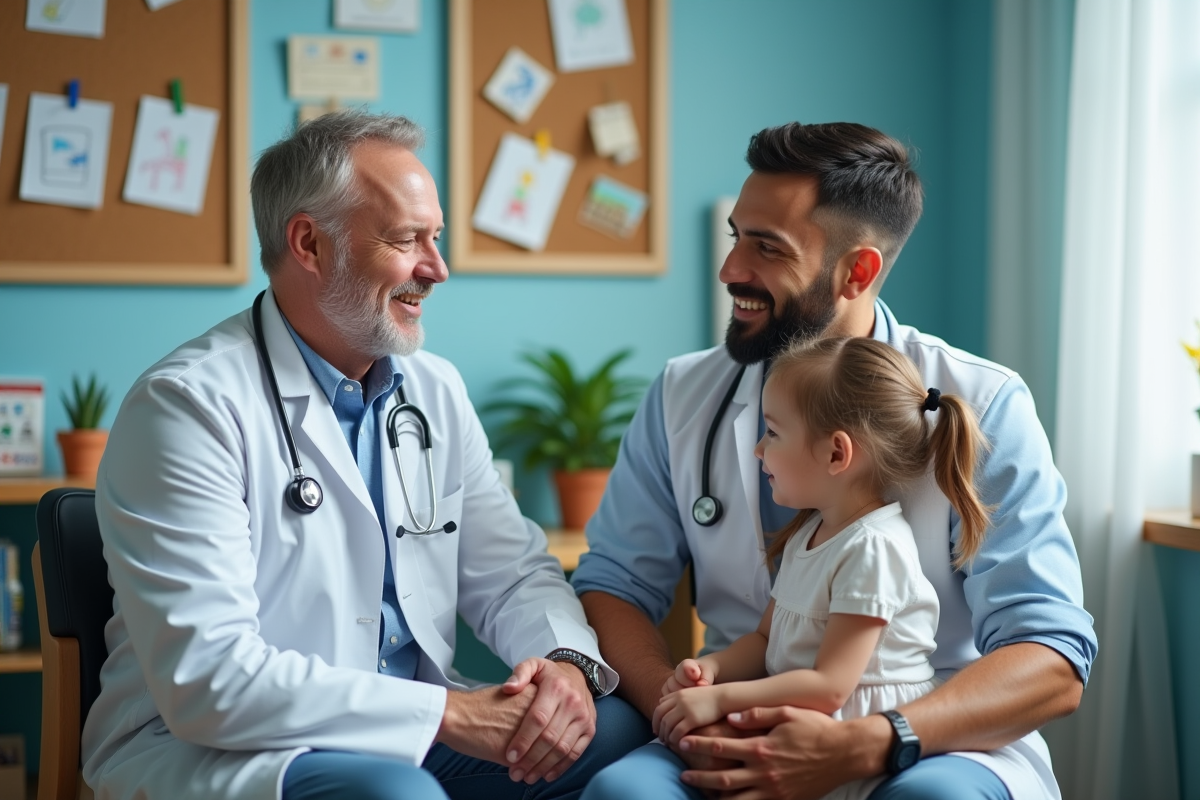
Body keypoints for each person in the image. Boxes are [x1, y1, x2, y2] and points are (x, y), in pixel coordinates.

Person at [83, 110, 647, 800]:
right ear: (310, 244)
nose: (436, 269)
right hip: (228, 750)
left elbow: (510, 573)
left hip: (403, 737)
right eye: (408, 240)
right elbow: (211, 680)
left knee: (613, 729)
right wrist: (446, 713)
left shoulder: (432, 389)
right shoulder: (186, 406)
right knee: (397, 797)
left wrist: (565, 666)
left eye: (435, 238)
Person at [574, 122, 1098, 800]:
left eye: (767, 248)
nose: (731, 269)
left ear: (858, 271)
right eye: (738, 237)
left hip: (927, 735)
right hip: (736, 709)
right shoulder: (683, 395)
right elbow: (613, 585)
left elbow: (1052, 657)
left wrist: (872, 742)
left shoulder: (983, 400)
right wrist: (681, 713)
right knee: (626, 795)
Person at [652, 336, 990, 800]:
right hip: (803, 717)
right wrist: (711, 669)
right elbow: (765, 640)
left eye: (772, 433)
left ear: (836, 454)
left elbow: (831, 687)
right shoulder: (808, 534)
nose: (756, 452)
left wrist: (722, 699)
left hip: (853, 736)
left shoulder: (873, 549)